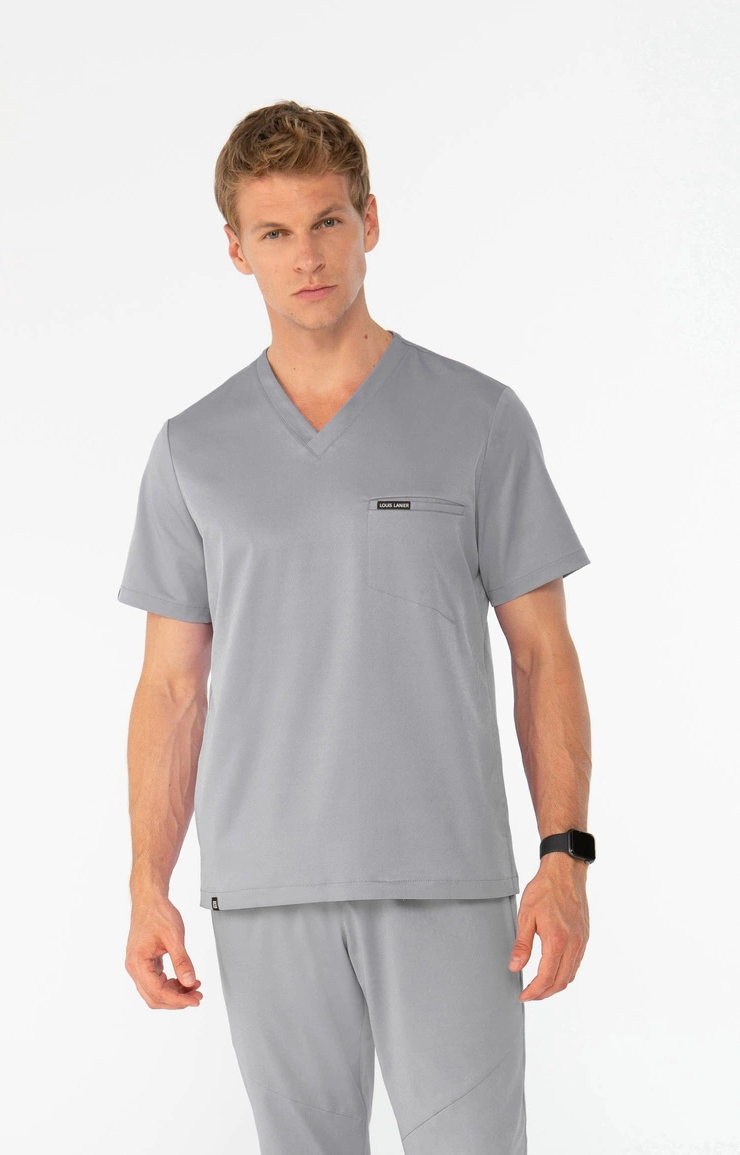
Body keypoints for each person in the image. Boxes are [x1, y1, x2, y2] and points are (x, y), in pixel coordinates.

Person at [117, 100, 595, 1154]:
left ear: (369, 221)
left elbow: (541, 653)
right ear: (236, 248)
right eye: (275, 232)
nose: (307, 256)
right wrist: (148, 882)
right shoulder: (193, 449)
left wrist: (563, 855)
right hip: (264, 889)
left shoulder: (477, 419)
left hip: (447, 880)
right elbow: (171, 687)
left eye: (328, 221)